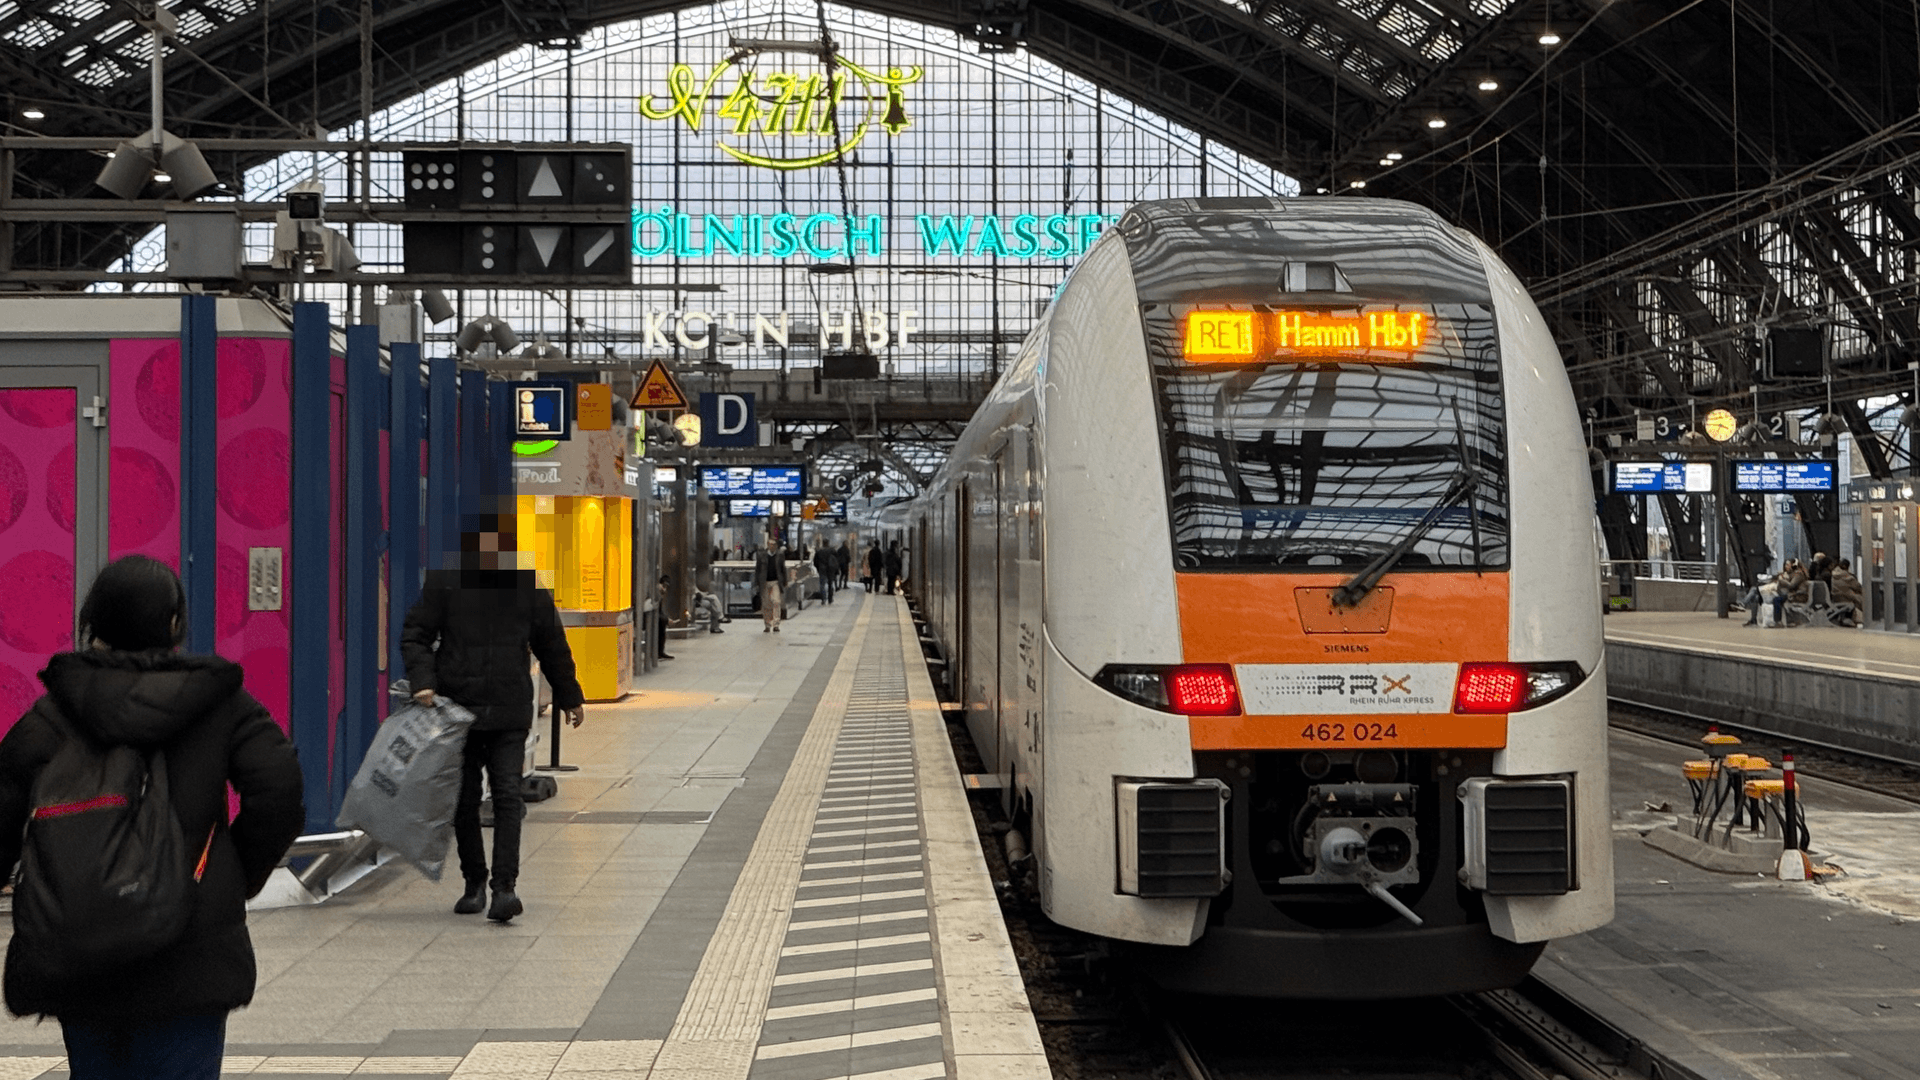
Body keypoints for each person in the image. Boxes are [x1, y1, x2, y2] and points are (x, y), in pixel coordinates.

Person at [0, 555, 304, 1080]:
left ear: (92, 623)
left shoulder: (53, 714)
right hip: (189, 950)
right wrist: (232, 875)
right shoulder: (222, 705)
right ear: (173, 625)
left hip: (82, 951)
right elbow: (278, 791)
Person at [403, 515, 586, 923]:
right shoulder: (447, 582)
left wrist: (570, 696)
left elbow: (551, 643)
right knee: (465, 801)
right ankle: (474, 881)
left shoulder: (525, 586)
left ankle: (505, 888)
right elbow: (415, 632)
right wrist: (423, 682)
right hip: (459, 712)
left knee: (506, 796)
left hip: (506, 710)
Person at [756, 539, 787, 633]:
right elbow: (758, 570)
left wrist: (784, 581)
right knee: (766, 604)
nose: (772, 546)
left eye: (774, 545)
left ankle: (776, 624)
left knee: (776, 601)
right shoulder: (762, 555)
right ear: (767, 545)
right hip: (765, 582)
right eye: (770, 544)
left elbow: (783, 569)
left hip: (776, 582)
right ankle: (767, 624)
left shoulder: (780, 555)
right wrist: (757, 583)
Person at [1770, 558, 1810, 627]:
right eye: (1785, 565)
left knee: (1776, 600)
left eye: (1788, 565)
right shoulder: (1792, 574)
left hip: (1798, 596)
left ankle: (1778, 622)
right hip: (1793, 594)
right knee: (1776, 597)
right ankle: (1783, 621)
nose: (1786, 566)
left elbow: (1791, 585)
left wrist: (1781, 580)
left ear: (1793, 565)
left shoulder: (1798, 574)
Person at [1830, 558, 1866, 626]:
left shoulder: (1833, 575)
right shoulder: (1848, 577)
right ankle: (1866, 618)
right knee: (1862, 598)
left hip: (1836, 598)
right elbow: (1858, 587)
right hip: (1847, 598)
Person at [654, 575, 675, 661]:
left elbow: (659, 611)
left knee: (662, 627)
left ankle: (660, 651)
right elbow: (656, 611)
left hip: (656, 617)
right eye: (664, 586)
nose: (664, 589)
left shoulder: (659, 596)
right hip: (649, 617)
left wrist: (666, 618)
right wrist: (666, 619)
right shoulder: (656, 594)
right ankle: (658, 651)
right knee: (661, 626)